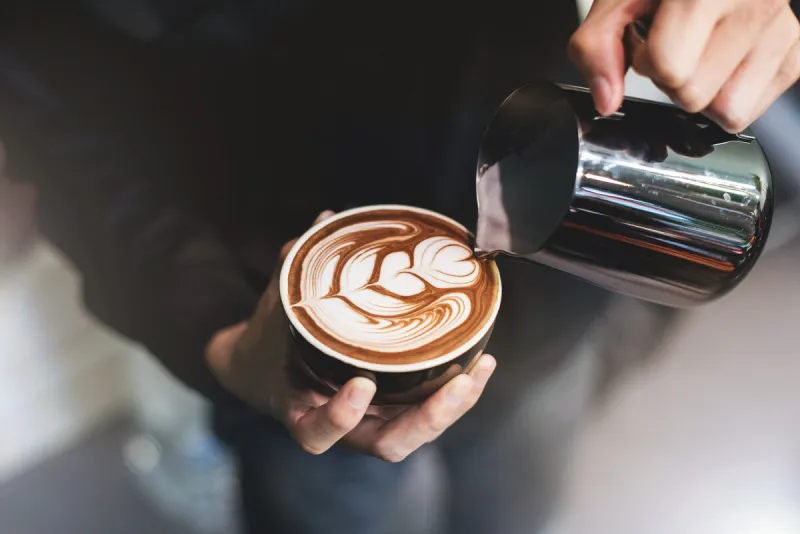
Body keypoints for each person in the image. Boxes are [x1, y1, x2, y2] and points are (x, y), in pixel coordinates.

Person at [0, 0, 797, 533]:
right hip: (286, 355)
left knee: (516, 500)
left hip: (547, 269)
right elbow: (63, 142)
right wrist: (220, 338)